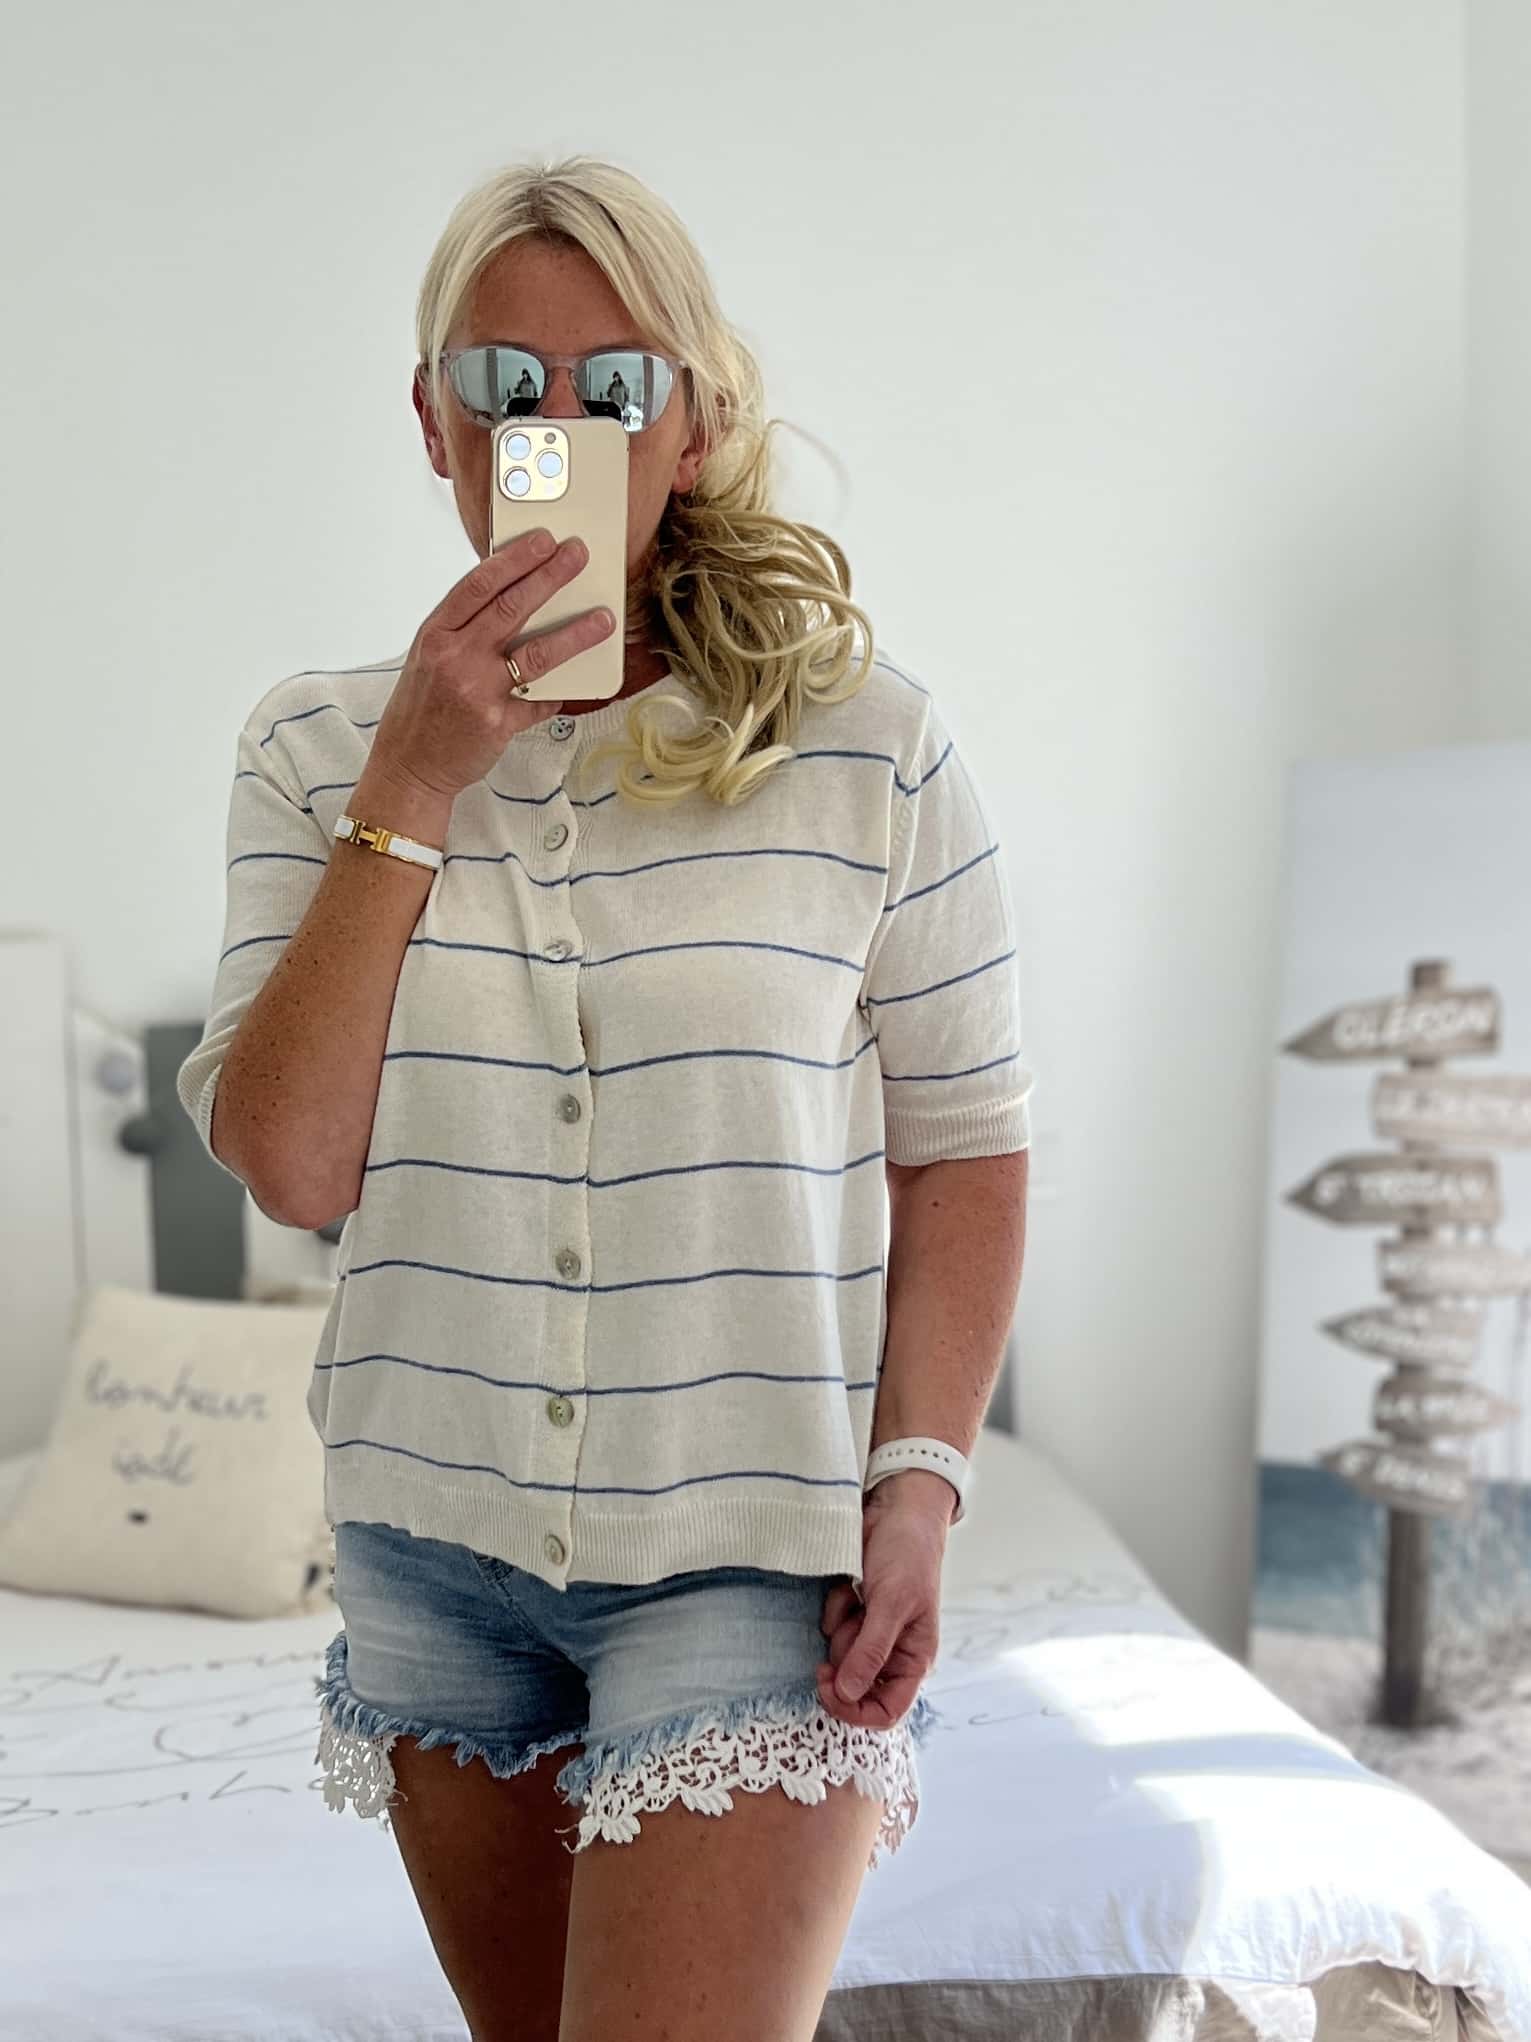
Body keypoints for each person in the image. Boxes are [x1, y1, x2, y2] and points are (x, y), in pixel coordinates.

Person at [177, 152, 1032, 2042]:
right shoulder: (315, 748)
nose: (549, 428)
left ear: (691, 428)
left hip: (750, 1558)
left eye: (612, 385)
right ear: (431, 423)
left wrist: (922, 1483)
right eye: (501, 385)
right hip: (429, 1559)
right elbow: (293, 1164)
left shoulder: (872, 750)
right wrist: (415, 781)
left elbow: (967, 1142)